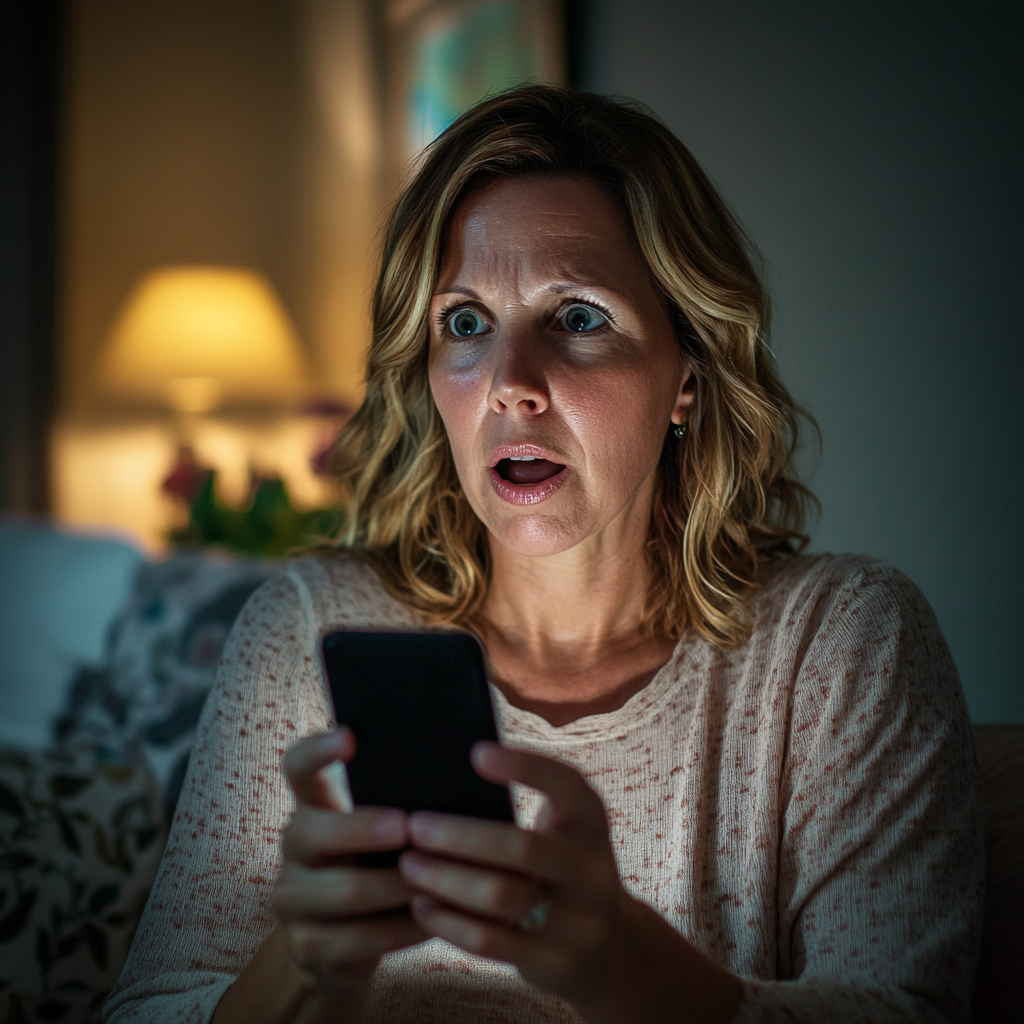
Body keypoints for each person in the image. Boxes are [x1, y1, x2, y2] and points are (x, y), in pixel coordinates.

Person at [105, 86, 984, 1024]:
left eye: (578, 318)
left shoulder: (841, 645)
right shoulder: (308, 631)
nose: (510, 386)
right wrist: (302, 969)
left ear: (688, 374)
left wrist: (624, 967)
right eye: (467, 324)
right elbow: (150, 1006)